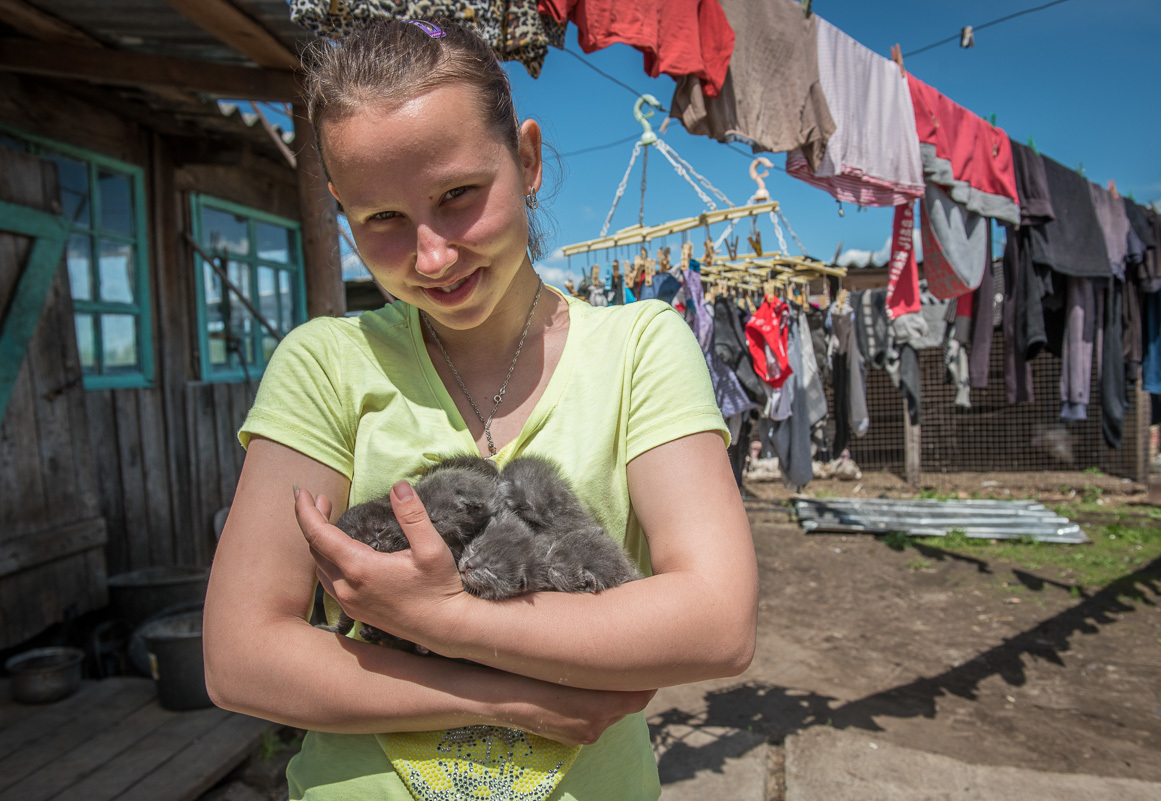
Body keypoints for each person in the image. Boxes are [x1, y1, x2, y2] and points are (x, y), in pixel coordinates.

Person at [202, 17, 758, 801]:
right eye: (381, 220)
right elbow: (239, 657)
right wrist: (516, 697)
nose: (431, 256)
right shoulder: (324, 364)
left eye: (458, 195)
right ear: (340, 208)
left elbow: (717, 620)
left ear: (526, 160)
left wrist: (446, 618)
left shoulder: (640, 348)